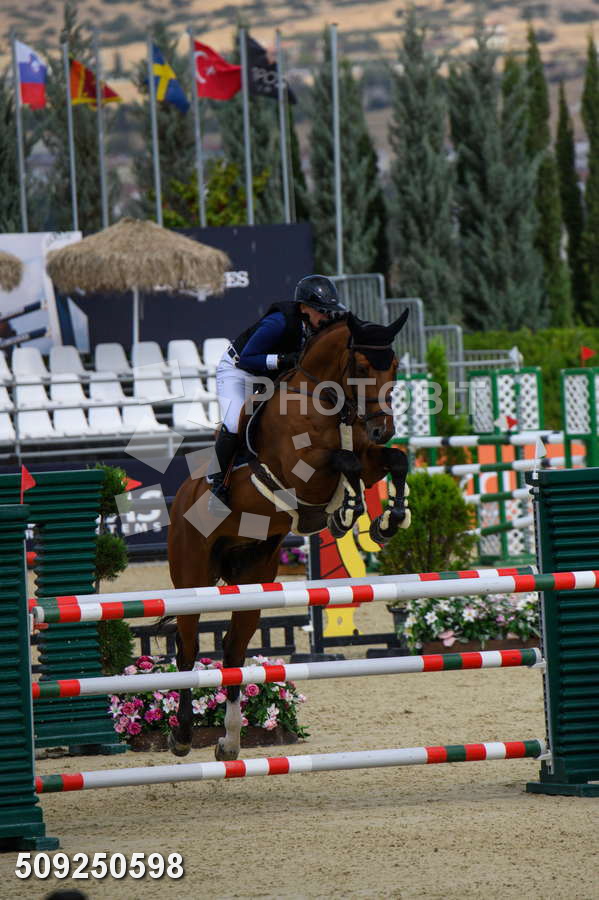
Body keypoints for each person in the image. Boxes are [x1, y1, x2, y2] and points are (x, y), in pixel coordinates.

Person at [208, 274, 347, 507]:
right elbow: (247, 359)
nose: (326, 317)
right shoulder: (279, 322)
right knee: (233, 423)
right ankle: (218, 482)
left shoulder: (316, 327)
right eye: (321, 311)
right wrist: (283, 359)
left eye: (329, 312)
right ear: (304, 308)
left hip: (270, 376)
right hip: (238, 373)